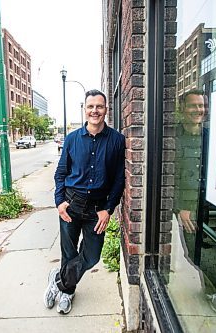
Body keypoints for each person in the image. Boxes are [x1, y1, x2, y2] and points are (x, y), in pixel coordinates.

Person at [44, 89, 125, 315]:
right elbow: (60, 174)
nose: (95, 111)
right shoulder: (71, 139)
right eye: (91, 107)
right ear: (84, 109)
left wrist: (109, 209)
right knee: (69, 252)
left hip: (98, 209)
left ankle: (58, 281)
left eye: (99, 106)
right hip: (71, 204)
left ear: (106, 109)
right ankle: (68, 293)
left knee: (91, 256)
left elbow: (119, 179)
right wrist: (60, 201)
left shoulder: (117, 140)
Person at [173, 89, 216, 314]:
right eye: (194, 106)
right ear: (183, 109)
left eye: (202, 106)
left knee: (211, 252)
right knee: (194, 253)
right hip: (188, 207)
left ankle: (211, 292)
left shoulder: (210, 136)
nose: (199, 110)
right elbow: (168, 174)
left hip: (212, 204)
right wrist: (179, 207)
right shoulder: (174, 137)